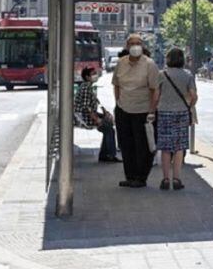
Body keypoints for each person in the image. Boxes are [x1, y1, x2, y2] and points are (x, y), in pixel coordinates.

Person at [112, 33, 160, 188]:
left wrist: (152, 111)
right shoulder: (121, 63)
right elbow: (116, 85)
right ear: (127, 46)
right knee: (126, 145)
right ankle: (130, 175)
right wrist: (118, 103)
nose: (135, 46)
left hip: (144, 111)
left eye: (138, 43)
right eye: (132, 43)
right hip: (124, 109)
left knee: (143, 146)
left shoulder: (150, 64)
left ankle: (141, 177)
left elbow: (154, 89)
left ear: (142, 46)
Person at [154, 47, 197, 191]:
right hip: (181, 113)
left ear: (168, 59)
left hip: (164, 113)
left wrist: (152, 110)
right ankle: (177, 179)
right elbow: (194, 95)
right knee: (179, 147)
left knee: (165, 148)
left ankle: (165, 179)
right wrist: (189, 106)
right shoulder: (188, 75)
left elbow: (156, 96)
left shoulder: (162, 74)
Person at [75, 66, 119, 162]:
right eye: (93, 74)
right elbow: (87, 107)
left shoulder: (88, 86)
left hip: (88, 114)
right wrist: (97, 119)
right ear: (87, 77)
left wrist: (105, 113)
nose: (96, 75)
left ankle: (105, 155)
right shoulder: (86, 87)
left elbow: (96, 102)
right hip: (84, 117)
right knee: (109, 129)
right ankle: (110, 155)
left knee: (108, 127)